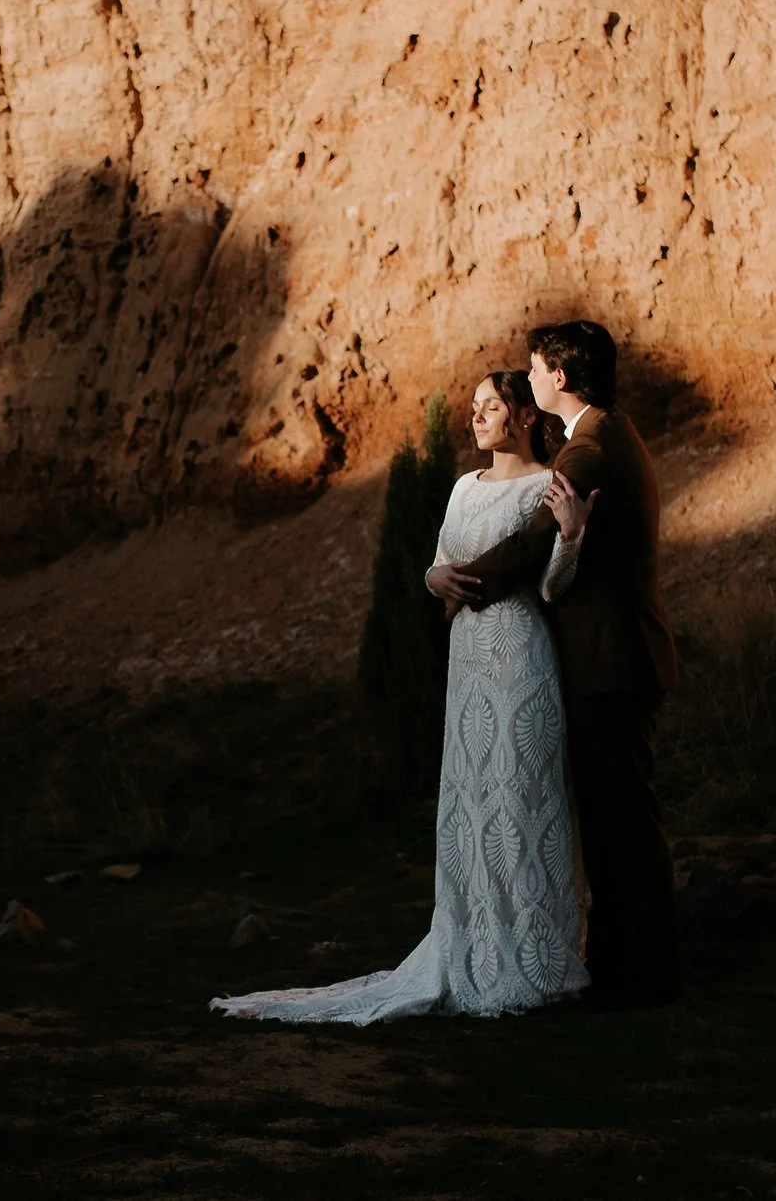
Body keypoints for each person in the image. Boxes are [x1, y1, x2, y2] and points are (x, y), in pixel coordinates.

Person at [212, 369, 592, 1022]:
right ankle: (474, 947)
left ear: (526, 416)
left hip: (522, 656)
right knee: (473, 798)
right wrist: (430, 575)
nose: (477, 416)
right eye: (473, 406)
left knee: (523, 792)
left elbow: (555, 588)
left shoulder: (545, 484)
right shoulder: (463, 488)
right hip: (468, 662)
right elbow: (439, 563)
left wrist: (572, 536)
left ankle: (536, 959)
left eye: (491, 405)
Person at [428, 320, 682, 1008]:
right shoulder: (604, 434)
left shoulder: (590, 450)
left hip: (610, 661)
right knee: (608, 823)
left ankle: (646, 974)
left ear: (559, 376)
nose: (530, 379)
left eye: (535, 368)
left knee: (622, 826)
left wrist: (456, 583)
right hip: (609, 659)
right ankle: (620, 964)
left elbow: (528, 543)